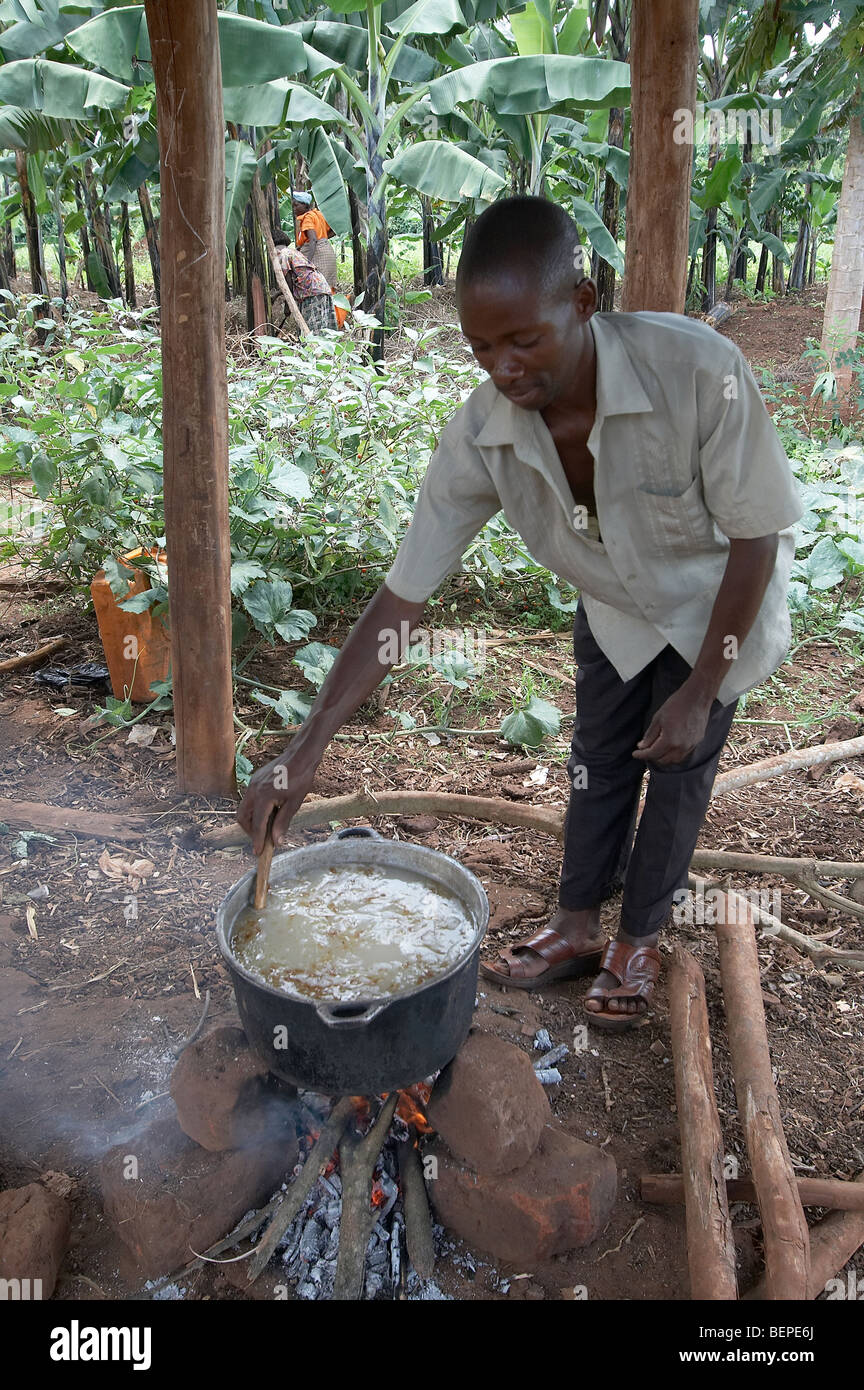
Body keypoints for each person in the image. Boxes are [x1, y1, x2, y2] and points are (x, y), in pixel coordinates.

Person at [238, 195, 803, 1033]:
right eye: (483, 347)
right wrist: (306, 747)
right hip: (613, 606)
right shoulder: (481, 436)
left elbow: (755, 539)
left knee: (679, 768)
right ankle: (576, 927)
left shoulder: (696, 371)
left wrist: (701, 687)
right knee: (597, 760)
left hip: (715, 602)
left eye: (523, 340)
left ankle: (639, 939)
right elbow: (404, 596)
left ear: (581, 304)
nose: (503, 368)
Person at [292, 191, 348, 329]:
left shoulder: (308, 217)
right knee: (328, 289)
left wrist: (307, 263)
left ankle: (332, 321)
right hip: (325, 251)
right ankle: (335, 321)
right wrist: (323, 239)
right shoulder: (318, 214)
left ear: (305, 206)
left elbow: (312, 240)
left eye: (296, 205)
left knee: (319, 290)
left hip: (317, 254)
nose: (294, 209)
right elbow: (333, 229)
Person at [271, 229, 337, 334]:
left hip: (311, 292)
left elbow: (288, 283)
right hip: (319, 287)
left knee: (312, 332)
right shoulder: (292, 251)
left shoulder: (281, 255)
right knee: (322, 329)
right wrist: (277, 295)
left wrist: (288, 306)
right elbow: (297, 277)